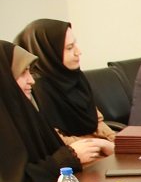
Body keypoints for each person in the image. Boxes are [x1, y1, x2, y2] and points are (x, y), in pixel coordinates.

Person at [0, 41, 89, 182]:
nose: (31, 80)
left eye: (30, 71)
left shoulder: (22, 112)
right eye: (23, 72)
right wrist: (67, 159)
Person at [14, 18, 116, 146]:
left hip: (98, 148)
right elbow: (55, 141)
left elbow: (97, 121)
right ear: (47, 52)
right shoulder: (37, 87)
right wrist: (101, 145)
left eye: (75, 44)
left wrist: (117, 142)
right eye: (69, 48)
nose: (78, 52)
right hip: (73, 153)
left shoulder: (75, 77)